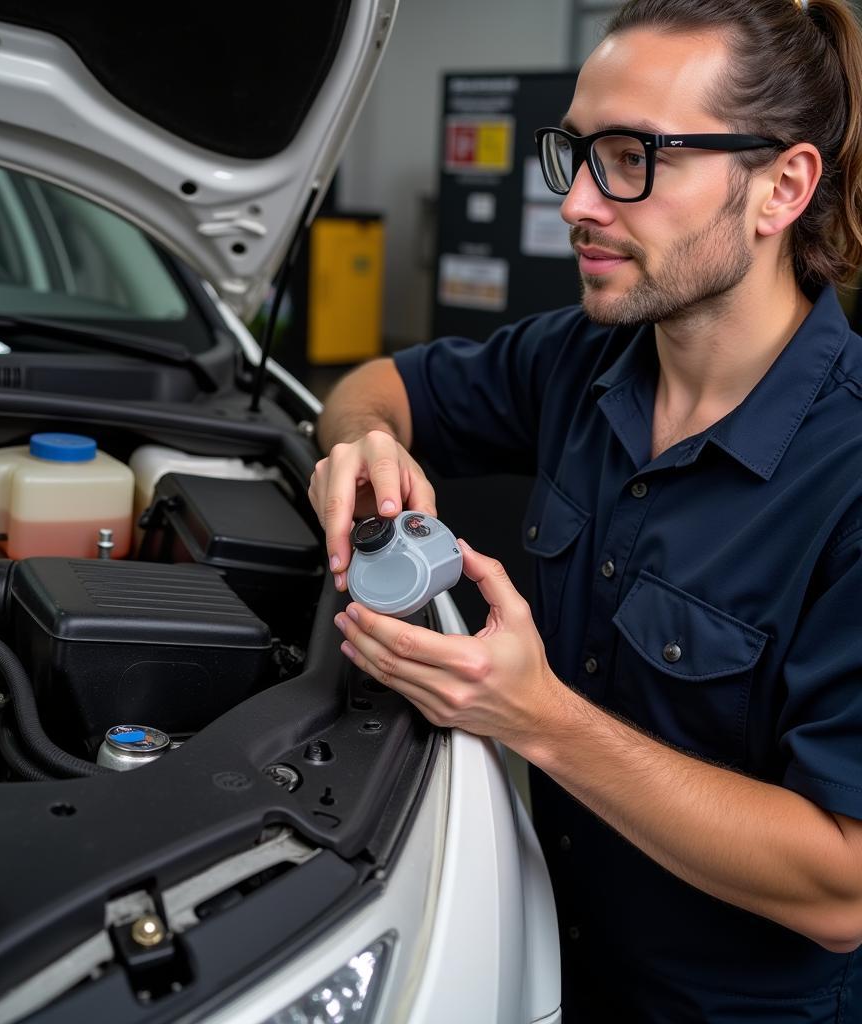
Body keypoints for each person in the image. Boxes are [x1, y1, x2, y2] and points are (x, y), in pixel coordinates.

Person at [308, 0, 862, 1019]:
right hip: (534, 952)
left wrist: (539, 718)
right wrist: (363, 443)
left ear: (780, 187)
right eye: (576, 155)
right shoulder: (584, 355)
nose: (574, 205)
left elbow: (842, 886)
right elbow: (375, 383)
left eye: (632, 159)